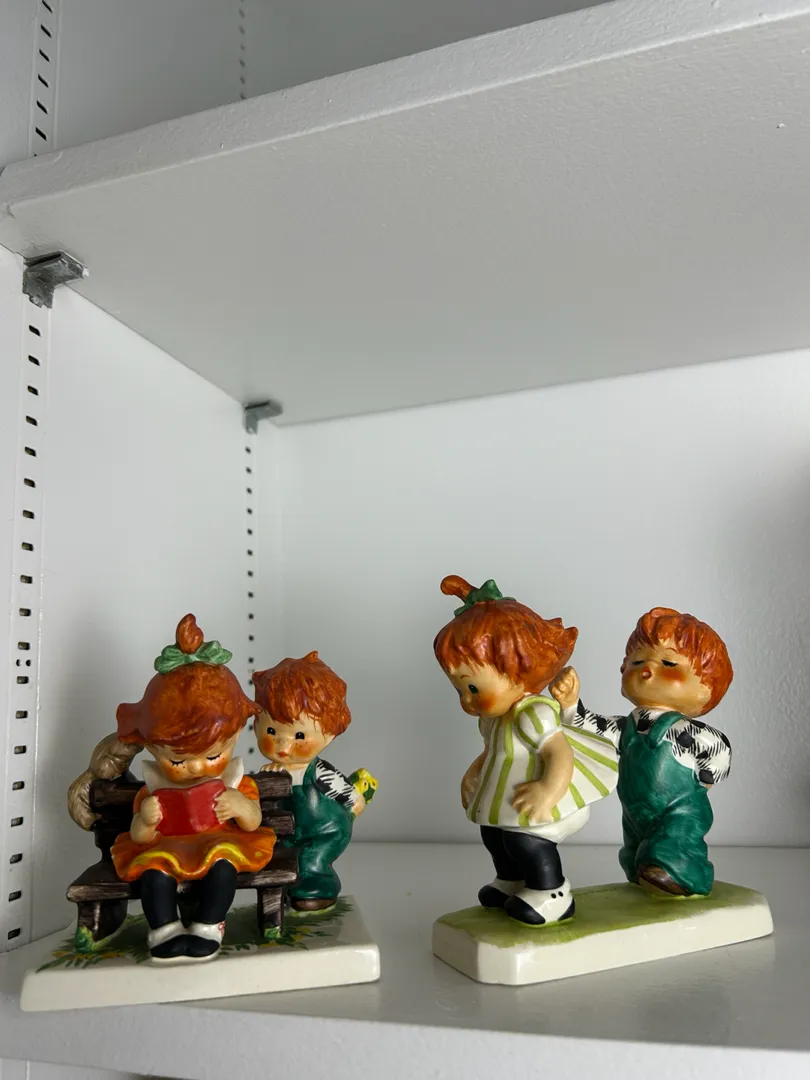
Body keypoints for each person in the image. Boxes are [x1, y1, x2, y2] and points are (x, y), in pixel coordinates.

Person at [433, 577, 618, 926]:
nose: (467, 701)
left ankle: (552, 893)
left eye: (473, 688)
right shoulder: (493, 719)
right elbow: (493, 752)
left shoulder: (534, 713)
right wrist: (473, 774)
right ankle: (512, 880)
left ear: (517, 670)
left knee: (526, 842)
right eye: (460, 690)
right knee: (493, 834)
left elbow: (559, 754)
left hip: (548, 799)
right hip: (511, 794)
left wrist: (548, 790)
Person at [110, 614, 276, 962]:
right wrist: (146, 819)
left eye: (213, 755)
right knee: (155, 874)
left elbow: (253, 821)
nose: (198, 767)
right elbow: (138, 836)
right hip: (167, 846)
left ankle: (208, 925)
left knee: (223, 869)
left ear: (234, 737)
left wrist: (240, 806)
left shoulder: (235, 781)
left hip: (218, 842)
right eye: (178, 761)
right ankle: (164, 930)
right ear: (152, 748)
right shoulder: (155, 788)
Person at [550, 606, 733, 898]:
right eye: (636, 661)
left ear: (706, 685)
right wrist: (570, 703)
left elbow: (718, 752)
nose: (646, 669)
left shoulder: (685, 731)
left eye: (668, 663)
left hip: (679, 809)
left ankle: (684, 878)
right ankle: (645, 877)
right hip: (634, 810)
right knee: (634, 852)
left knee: (675, 845)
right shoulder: (625, 727)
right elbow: (590, 727)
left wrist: (703, 784)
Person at [252, 652, 373, 911]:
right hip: (290, 834)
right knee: (279, 856)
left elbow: (353, 799)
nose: (283, 747)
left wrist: (351, 811)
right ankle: (285, 892)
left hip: (325, 831)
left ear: (328, 735)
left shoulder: (321, 772)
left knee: (310, 861)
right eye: (271, 731)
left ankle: (318, 891)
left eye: (299, 736)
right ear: (256, 725)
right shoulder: (271, 771)